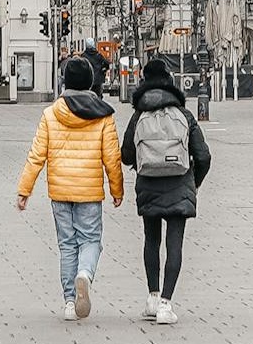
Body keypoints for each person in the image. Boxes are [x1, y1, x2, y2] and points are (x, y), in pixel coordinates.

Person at [17, 57, 123, 322]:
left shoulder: (52, 113)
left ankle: (68, 302)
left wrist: (24, 190)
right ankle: (85, 274)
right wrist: (117, 189)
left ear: (65, 81)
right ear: (90, 82)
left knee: (67, 245)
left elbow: (36, 155)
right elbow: (112, 157)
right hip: (89, 191)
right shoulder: (103, 114)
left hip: (60, 191)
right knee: (90, 240)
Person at [121, 58, 211, 326]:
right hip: (179, 182)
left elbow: (126, 155)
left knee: (151, 240)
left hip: (148, 182)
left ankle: (151, 296)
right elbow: (203, 155)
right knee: (175, 243)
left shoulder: (139, 115)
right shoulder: (183, 115)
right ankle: (166, 304)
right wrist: (195, 181)